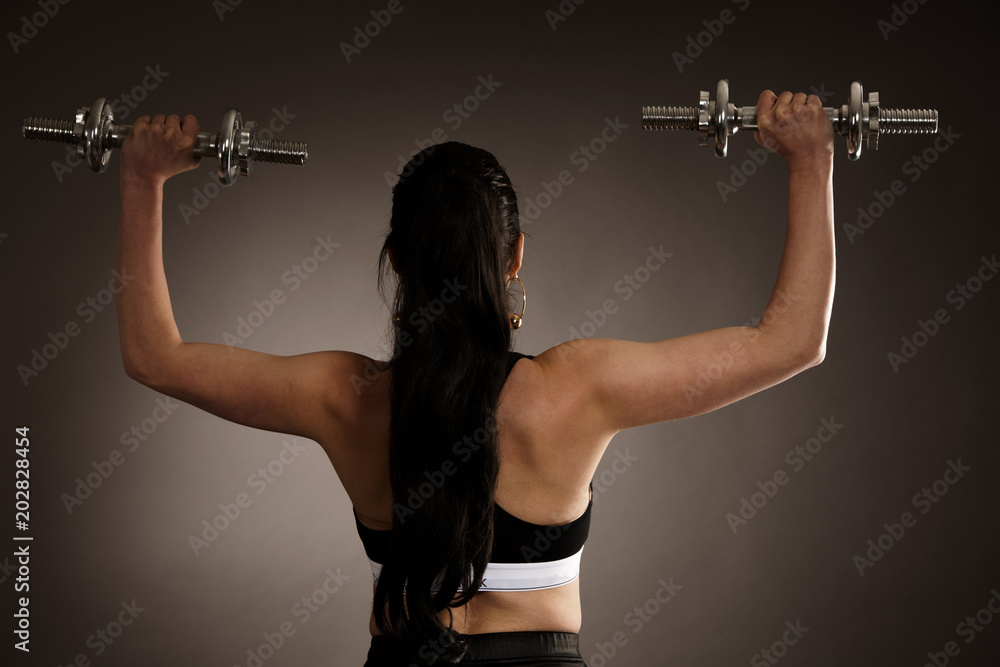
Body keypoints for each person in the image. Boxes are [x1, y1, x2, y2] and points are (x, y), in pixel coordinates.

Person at [116, 88, 835, 666]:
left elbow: (155, 355)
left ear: (397, 259)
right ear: (515, 256)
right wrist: (810, 162)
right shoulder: (578, 385)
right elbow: (791, 341)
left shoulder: (345, 397)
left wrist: (142, 178)